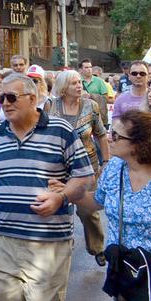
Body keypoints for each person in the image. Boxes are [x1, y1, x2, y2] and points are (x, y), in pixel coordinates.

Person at [52, 110, 151, 297]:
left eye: (115, 135)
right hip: (123, 269)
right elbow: (97, 201)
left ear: (138, 145)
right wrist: (67, 192)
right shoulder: (115, 167)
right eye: (110, 131)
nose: (108, 137)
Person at [0, 72, 94, 301]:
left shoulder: (60, 130)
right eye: (1, 97)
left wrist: (60, 197)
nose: (4, 103)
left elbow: (84, 177)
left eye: (11, 97)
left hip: (48, 243)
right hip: (3, 240)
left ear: (32, 99)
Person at [46, 70, 109, 266]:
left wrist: (106, 161)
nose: (79, 86)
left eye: (80, 82)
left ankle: (97, 248)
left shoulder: (91, 106)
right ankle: (62, 246)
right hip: (58, 166)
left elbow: (101, 134)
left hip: (87, 167)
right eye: (74, 83)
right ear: (64, 88)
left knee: (87, 210)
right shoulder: (51, 105)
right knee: (58, 207)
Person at [80, 59, 111, 126]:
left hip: (97, 115)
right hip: (82, 116)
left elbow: (105, 98)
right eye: (86, 67)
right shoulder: (77, 81)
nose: (89, 69)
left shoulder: (99, 81)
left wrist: (91, 96)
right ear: (81, 70)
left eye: (90, 67)